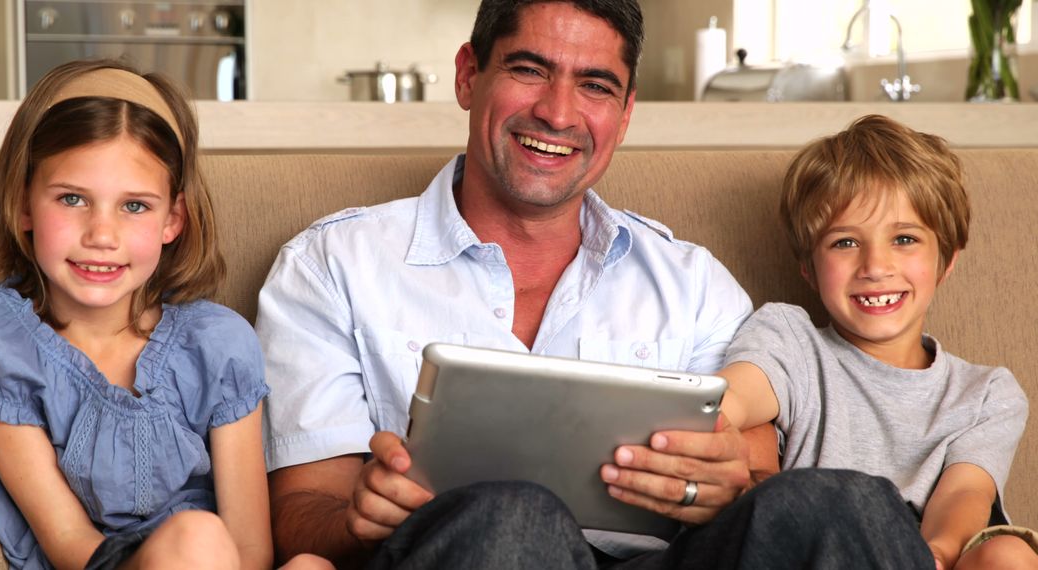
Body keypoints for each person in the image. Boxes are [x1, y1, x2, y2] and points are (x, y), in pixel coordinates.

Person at [257, 2, 937, 568]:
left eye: (595, 85)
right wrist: (356, 516)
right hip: (473, 554)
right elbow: (299, 511)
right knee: (514, 518)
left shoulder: (691, 282)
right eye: (529, 70)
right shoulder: (333, 264)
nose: (558, 113)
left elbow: (758, 476)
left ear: (625, 111)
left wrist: (725, 482)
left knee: (845, 502)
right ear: (469, 76)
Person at [0, 60, 329, 570]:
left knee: (312, 567)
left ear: (172, 219)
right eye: (72, 199)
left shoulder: (218, 343)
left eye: (134, 206)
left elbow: (249, 548)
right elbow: (67, 541)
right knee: (196, 539)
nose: (102, 235)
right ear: (23, 205)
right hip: (99, 564)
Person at [718, 114, 1038, 570]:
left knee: (1009, 554)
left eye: (904, 239)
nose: (875, 265)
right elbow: (732, 398)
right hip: (828, 549)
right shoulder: (789, 339)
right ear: (808, 267)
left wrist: (937, 553)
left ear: (945, 262)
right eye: (845, 243)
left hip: (930, 554)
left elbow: (967, 492)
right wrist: (712, 422)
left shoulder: (987, 393)